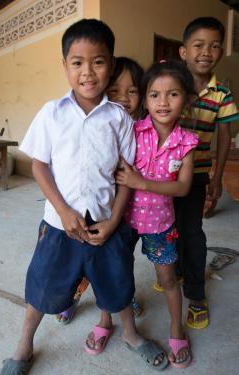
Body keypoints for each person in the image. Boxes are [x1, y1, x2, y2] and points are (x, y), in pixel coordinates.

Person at [0, 19, 168, 375]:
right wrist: (63, 210)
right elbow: (39, 167)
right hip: (60, 225)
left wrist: (114, 221)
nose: (88, 72)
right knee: (42, 286)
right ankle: (23, 346)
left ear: (110, 64)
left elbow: (125, 178)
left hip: (106, 223)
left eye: (99, 61)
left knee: (118, 283)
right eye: (77, 62)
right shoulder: (52, 113)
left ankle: (131, 335)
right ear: (65, 66)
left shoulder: (119, 119)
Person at [114, 60, 199, 368]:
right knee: (117, 271)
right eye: (154, 95)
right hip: (123, 220)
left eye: (173, 94)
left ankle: (177, 329)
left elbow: (184, 188)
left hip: (161, 226)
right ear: (145, 99)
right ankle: (105, 318)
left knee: (167, 278)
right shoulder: (133, 131)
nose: (163, 102)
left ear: (186, 99)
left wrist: (142, 182)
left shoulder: (187, 143)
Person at [56, 56, 145, 325]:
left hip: (134, 211)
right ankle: (72, 295)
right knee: (84, 258)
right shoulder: (100, 126)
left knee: (120, 258)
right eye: (115, 91)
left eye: (132, 91)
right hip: (100, 207)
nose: (124, 99)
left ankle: (121, 295)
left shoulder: (143, 129)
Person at [175, 17, 239, 330]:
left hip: (198, 175)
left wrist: (216, 178)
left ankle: (196, 294)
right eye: (198, 45)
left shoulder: (222, 94)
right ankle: (174, 273)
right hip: (163, 178)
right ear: (184, 51)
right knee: (165, 231)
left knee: (192, 233)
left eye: (215, 46)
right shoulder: (171, 86)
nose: (206, 52)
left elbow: (226, 135)